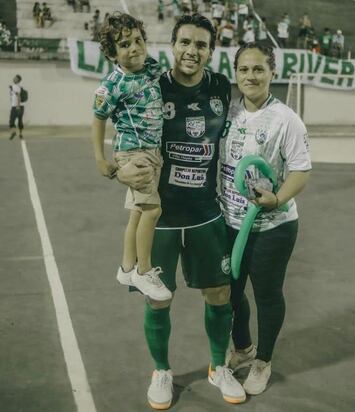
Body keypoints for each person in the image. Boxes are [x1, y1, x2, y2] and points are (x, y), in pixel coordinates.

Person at [124, 13, 246, 410]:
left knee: (219, 293)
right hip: (159, 216)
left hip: (205, 213)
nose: (192, 50)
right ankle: (161, 370)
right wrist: (118, 168)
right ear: (173, 46)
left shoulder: (221, 86)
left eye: (201, 45)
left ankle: (218, 366)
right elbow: (126, 132)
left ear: (210, 51)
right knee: (158, 299)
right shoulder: (152, 87)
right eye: (185, 42)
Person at [220, 42, 311, 395]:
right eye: (243, 69)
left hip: (272, 227)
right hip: (229, 222)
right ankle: (243, 348)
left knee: (267, 294)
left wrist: (277, 198)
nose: (251, 76)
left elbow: (301, 171)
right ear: (235, 73)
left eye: (258, 69)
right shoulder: (228, 112)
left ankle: (263, 361)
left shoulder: (286, 119)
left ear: (273, 72)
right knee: (229, 292)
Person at [91, 12, 172, 302]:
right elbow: (98, 118)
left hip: (151, 150)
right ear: (112, 53)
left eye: (138, 40)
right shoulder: (112, 85)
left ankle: (127, 268)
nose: (134, 48)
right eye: (124, 45)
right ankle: (143, 271)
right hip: (134, 153)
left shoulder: (150, 67)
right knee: (152, 211)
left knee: (138, 211)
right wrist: (100, 159)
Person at [9, 75, 25, 140]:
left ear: (18, 80)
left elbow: (18, 96)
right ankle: (21, 134)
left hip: (15, 107)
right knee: (20, 120)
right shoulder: (19, 86)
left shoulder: (15, 86)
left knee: (11, 120)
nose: (13, 79)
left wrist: (18, 106)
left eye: (15, 78)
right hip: (22, 106)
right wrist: (11, 89)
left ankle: (13, 132)